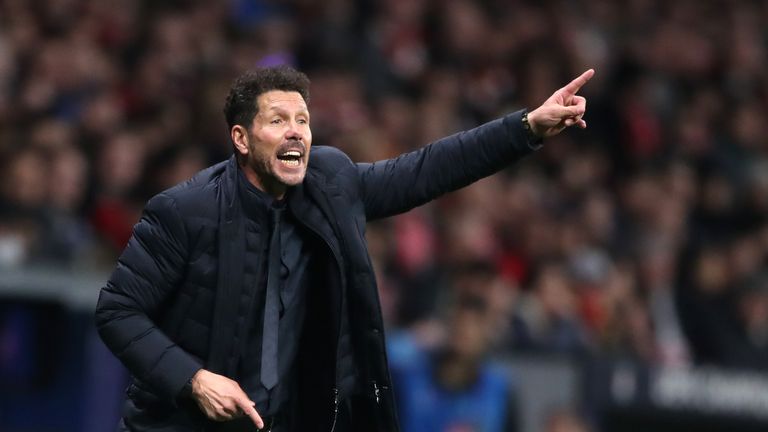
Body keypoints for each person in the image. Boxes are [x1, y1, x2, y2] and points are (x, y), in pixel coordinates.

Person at [95, 65, 594, 432]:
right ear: (242, 139)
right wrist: (195, 379)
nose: (296, 131)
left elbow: (425, 170)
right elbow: (118, 311)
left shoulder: (330, 183)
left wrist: (526, 128)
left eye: (303, 120)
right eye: (278, 121)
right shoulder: (184, 212)